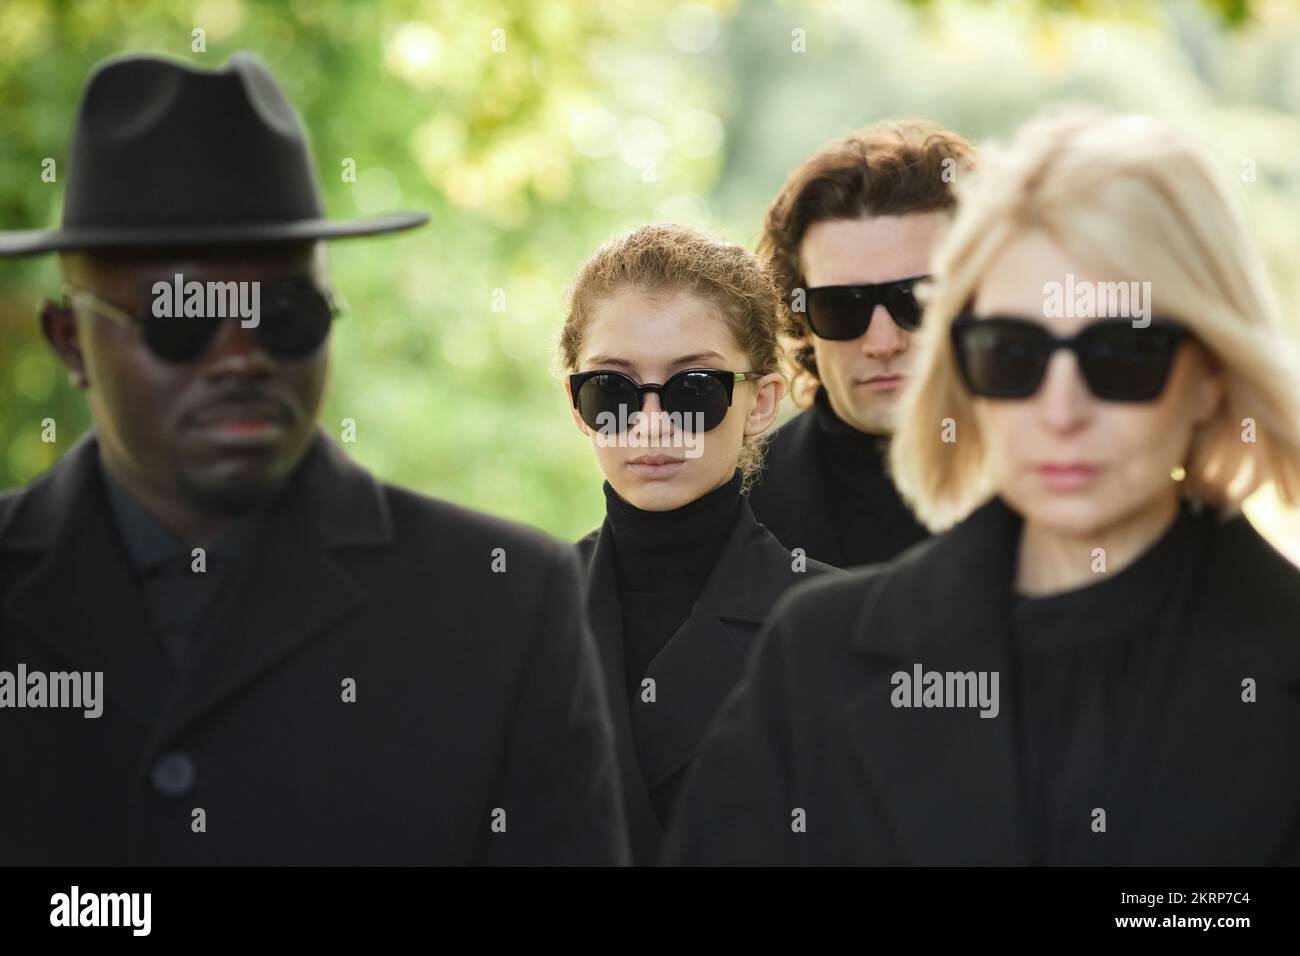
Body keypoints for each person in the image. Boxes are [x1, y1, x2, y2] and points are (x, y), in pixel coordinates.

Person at [0, 51, 628, 865]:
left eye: (284, 313)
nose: (240, 357)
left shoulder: (505, 604)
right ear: (69, 340)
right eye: (182, 316)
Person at [664, 109, 1300, 866]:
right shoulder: (813, 654)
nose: (1061, 413)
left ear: (1211, 375)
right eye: (1013, 353)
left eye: (1122, 355)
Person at [560, 223, 843, 863]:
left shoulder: (854, 630)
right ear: (578, 406)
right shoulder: (513, 623)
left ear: (762, 403)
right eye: (613, 391)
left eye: (694, 389)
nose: (654, 424)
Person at [748, 119, 975, 567]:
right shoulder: (739, 510)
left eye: (917, 300)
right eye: (842, 306)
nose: (883, 342)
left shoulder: (1066, 477)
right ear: (801, 317)